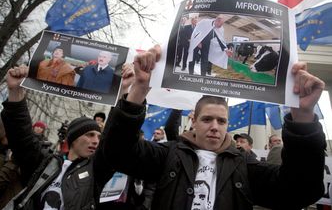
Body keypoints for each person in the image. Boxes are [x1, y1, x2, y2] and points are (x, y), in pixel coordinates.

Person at [104, 45, 326, 209]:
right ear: (194, 121)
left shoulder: (244, 165)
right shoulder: (168, 154)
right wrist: (139, 90)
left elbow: (300, 191)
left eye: (221, 121)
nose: (214, 127)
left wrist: (304, 116)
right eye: (207, 119)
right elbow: (117, 153)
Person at [0, 65, 122, 209]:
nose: (95, 141)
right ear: (73, 139)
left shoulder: (96, 171)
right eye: (89, 135)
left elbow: (116, 140)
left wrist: (122, 95)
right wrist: (15, 90)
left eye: (98, 137)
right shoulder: (44, 162)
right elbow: (22, 136)